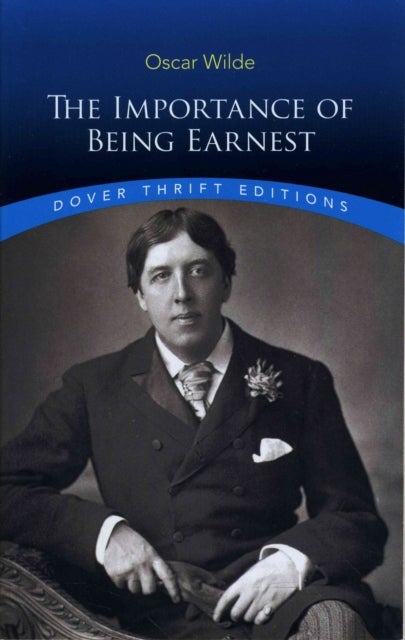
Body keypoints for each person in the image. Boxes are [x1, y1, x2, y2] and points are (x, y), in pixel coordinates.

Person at [1, 208, 388, 639]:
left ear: (226, 282)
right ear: (140, 295)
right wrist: (105, 534)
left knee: (336, 625)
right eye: (160, 276)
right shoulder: (94, 386)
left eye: (198, 271)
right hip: (159, 608)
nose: (182, 294)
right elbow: (6, 487)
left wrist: (289, 562)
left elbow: (356, 518)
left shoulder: (300, 378)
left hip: (275, 602)